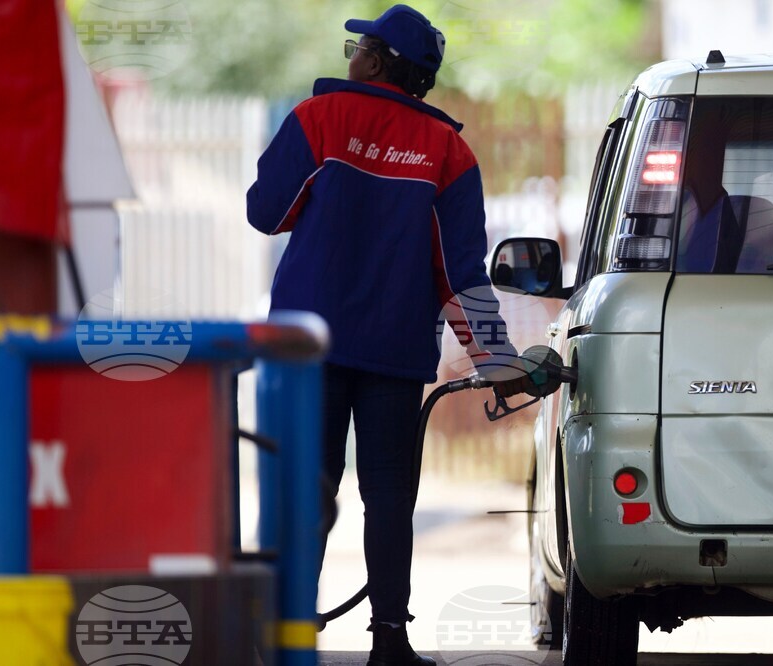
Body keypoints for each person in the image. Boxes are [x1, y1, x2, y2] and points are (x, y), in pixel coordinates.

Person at [246, 5, 529, 665]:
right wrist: (497, 357)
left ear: (378, 63)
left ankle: (285, 636)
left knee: (306, 489)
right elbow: (462, 270)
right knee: (390, 497)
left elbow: (267, 212)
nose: (351, 56)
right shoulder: (449, 153)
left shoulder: (317, 120)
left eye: (360, 47)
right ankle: (390, 642)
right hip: (395, 351)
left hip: (306, 347)